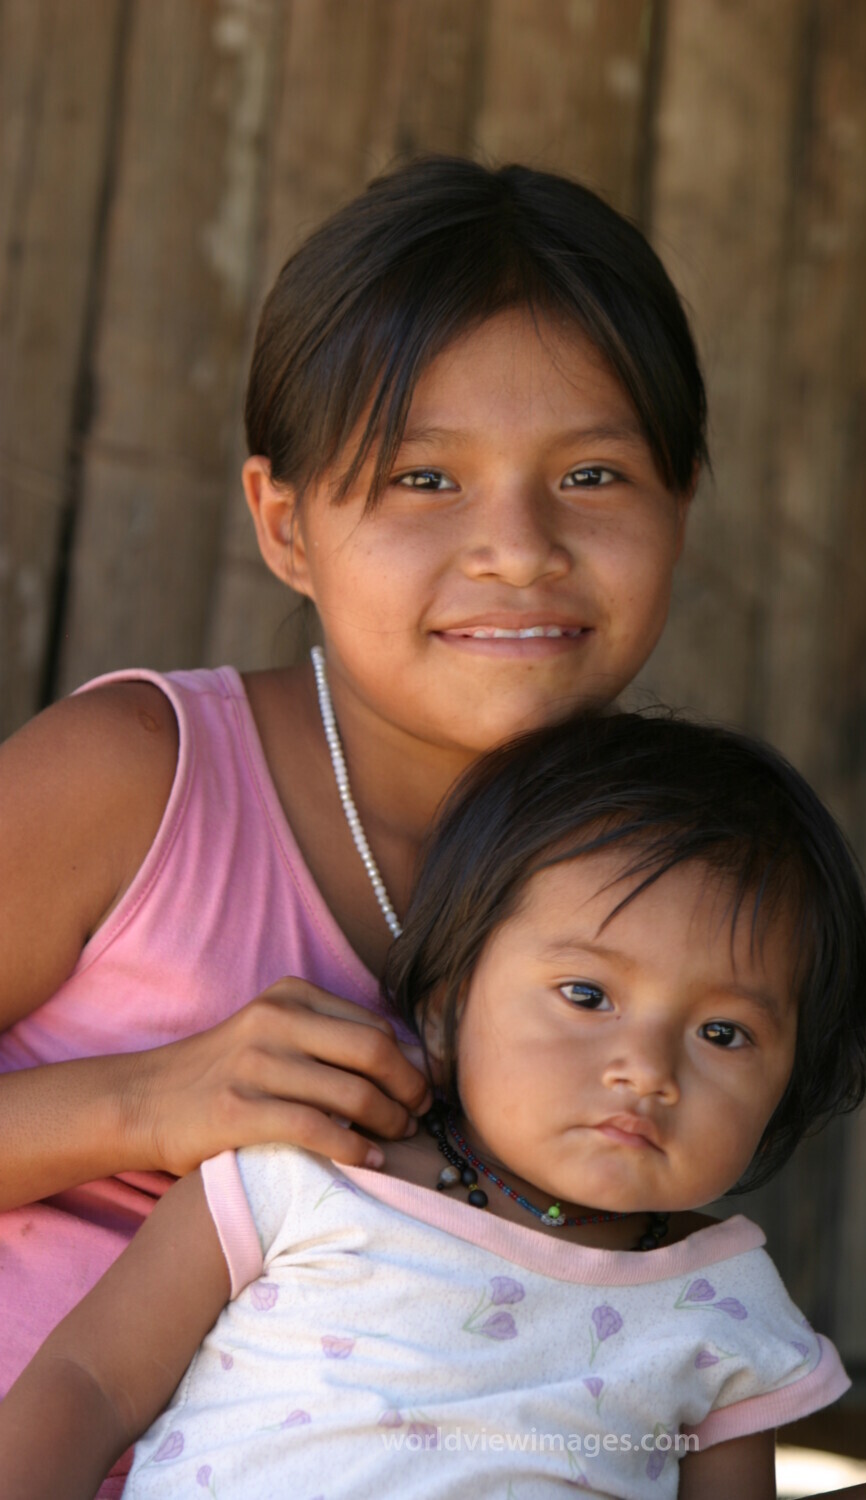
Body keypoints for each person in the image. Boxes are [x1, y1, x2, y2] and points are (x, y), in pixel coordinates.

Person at [0, 153, 705, 1413]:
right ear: (285, 525)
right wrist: (145, 1101)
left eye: (590, 476)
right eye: (422, 479)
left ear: (682, 505)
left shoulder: (669, 888)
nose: (517, 550)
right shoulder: (138, 783)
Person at [5, 712, 866, 1500]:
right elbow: (86, 1387)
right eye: (587, 997)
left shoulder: (725, 1311)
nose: (645, 1069)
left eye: (723, 1034)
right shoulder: (301, 1180)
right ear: (444, 1009)